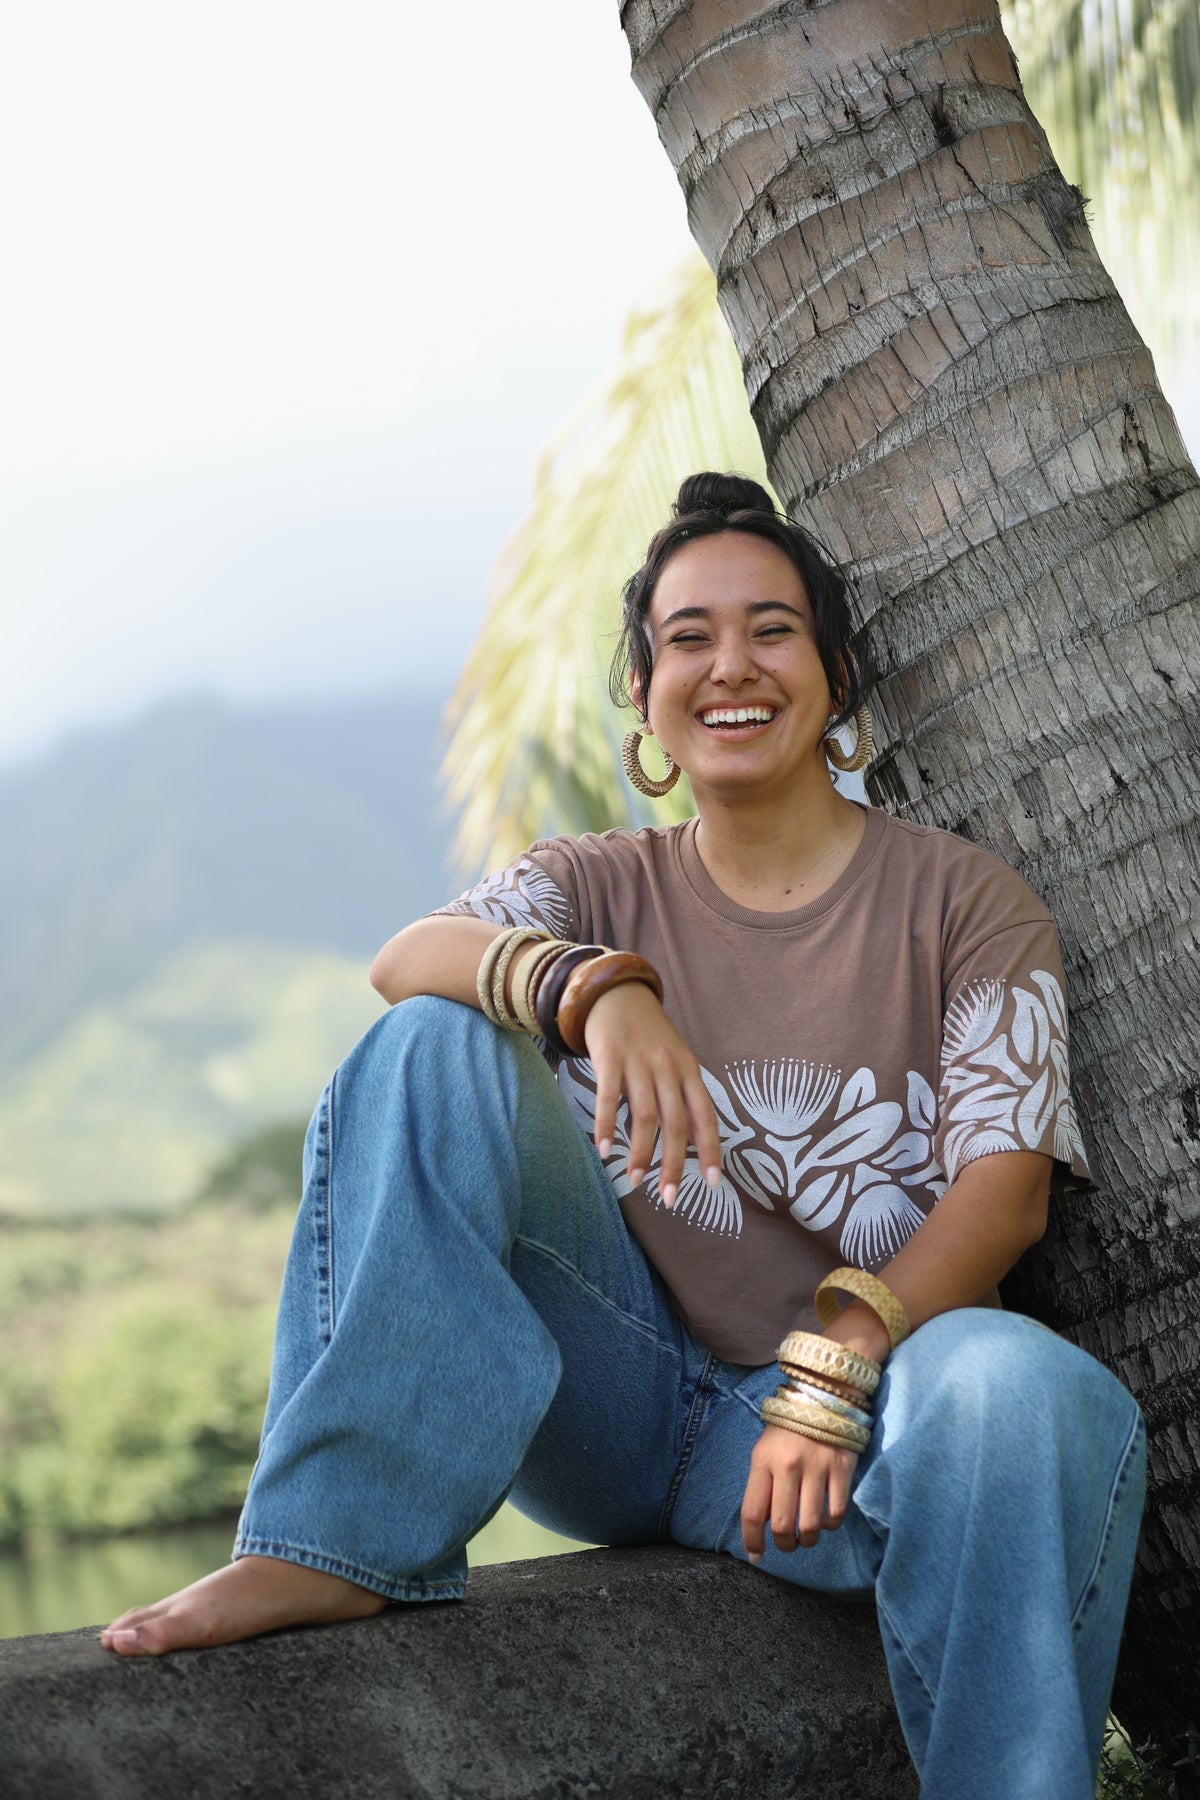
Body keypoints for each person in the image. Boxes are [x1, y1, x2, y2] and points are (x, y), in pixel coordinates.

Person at [101, 472, 1144, 1799]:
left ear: (834, 676)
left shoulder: (961, 901)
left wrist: (835, 1371)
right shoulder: (595, 882)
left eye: (772, 629)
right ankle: (331, 1541)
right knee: (434, 1038)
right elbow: (403, 958)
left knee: (1020, 1385)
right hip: (624, 1399)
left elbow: (1004, 1197)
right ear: (648, 696)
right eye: (687, 636)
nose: (730, 664)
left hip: (865, 1415)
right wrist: (593, 987)